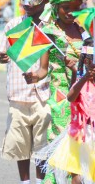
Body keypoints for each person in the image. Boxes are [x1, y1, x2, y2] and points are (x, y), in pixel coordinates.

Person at [23, 0, 89, 183]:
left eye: (75, 7)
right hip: (61, 100)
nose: (70, 12)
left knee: (83, 151)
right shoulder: (49, 33)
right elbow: (43, 69)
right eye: (65, 8)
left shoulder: (85, 32)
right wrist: (34, 77)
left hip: (86, 102)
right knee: (63, 155)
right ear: (57, 7)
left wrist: (80, 69)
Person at [0, 0, 53, 184]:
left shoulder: (50, 29)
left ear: (45, 0)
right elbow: (3, 53)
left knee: (42, 144)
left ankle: (40, 180)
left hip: (43, 97)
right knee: (20, 145)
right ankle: (25, 181)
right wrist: (2, 58)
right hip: (18, 96)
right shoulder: (13, 25)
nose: (28, 1)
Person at [39, 38, 95, 184]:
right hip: (79, 136)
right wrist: (83, 77)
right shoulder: (82, 80)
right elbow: (70, 97)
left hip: (93, 135)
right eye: (89, 60)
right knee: (77, 176)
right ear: (85, 61)